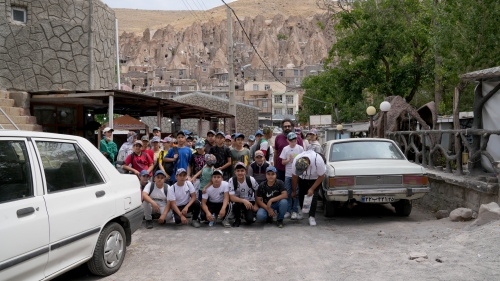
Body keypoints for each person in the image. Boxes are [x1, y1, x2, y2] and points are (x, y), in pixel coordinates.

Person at [291, 149, 326, 226]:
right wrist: (293, 191)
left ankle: (311, 216)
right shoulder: (296, 160)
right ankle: (302, 211)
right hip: (302, 178)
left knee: (313, 196)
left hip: (315, 178)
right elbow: (294, 177)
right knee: (301, 195)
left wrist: (312, 188)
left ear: (308, 166)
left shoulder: (318, 161)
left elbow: (321, 176)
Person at [279, 132, 304, 220]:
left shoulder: (300, 148)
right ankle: (288, 210)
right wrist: (288, 160)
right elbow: (282, 162)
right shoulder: (285, 149)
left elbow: (303, 160)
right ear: (287, 141)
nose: (293, 142)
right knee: (288, 193)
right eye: (291, 141)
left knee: (296, 192)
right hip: (288, 174)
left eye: (295, 140)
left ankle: (295, 210)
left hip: (297, 174)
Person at [228, 162, 259, 227]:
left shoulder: (251, 179)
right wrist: (243, 201)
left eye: (242, 171)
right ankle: (237, 219)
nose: (240, 173)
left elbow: (257, 191)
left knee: (250, 220)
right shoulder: (232, 180)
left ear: (245, 171)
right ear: (235, 172)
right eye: (238, 171)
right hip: (238, 202)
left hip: (250, 201)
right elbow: (232, 197)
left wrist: (256, 204)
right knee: (234, 204)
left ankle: (244, 214)